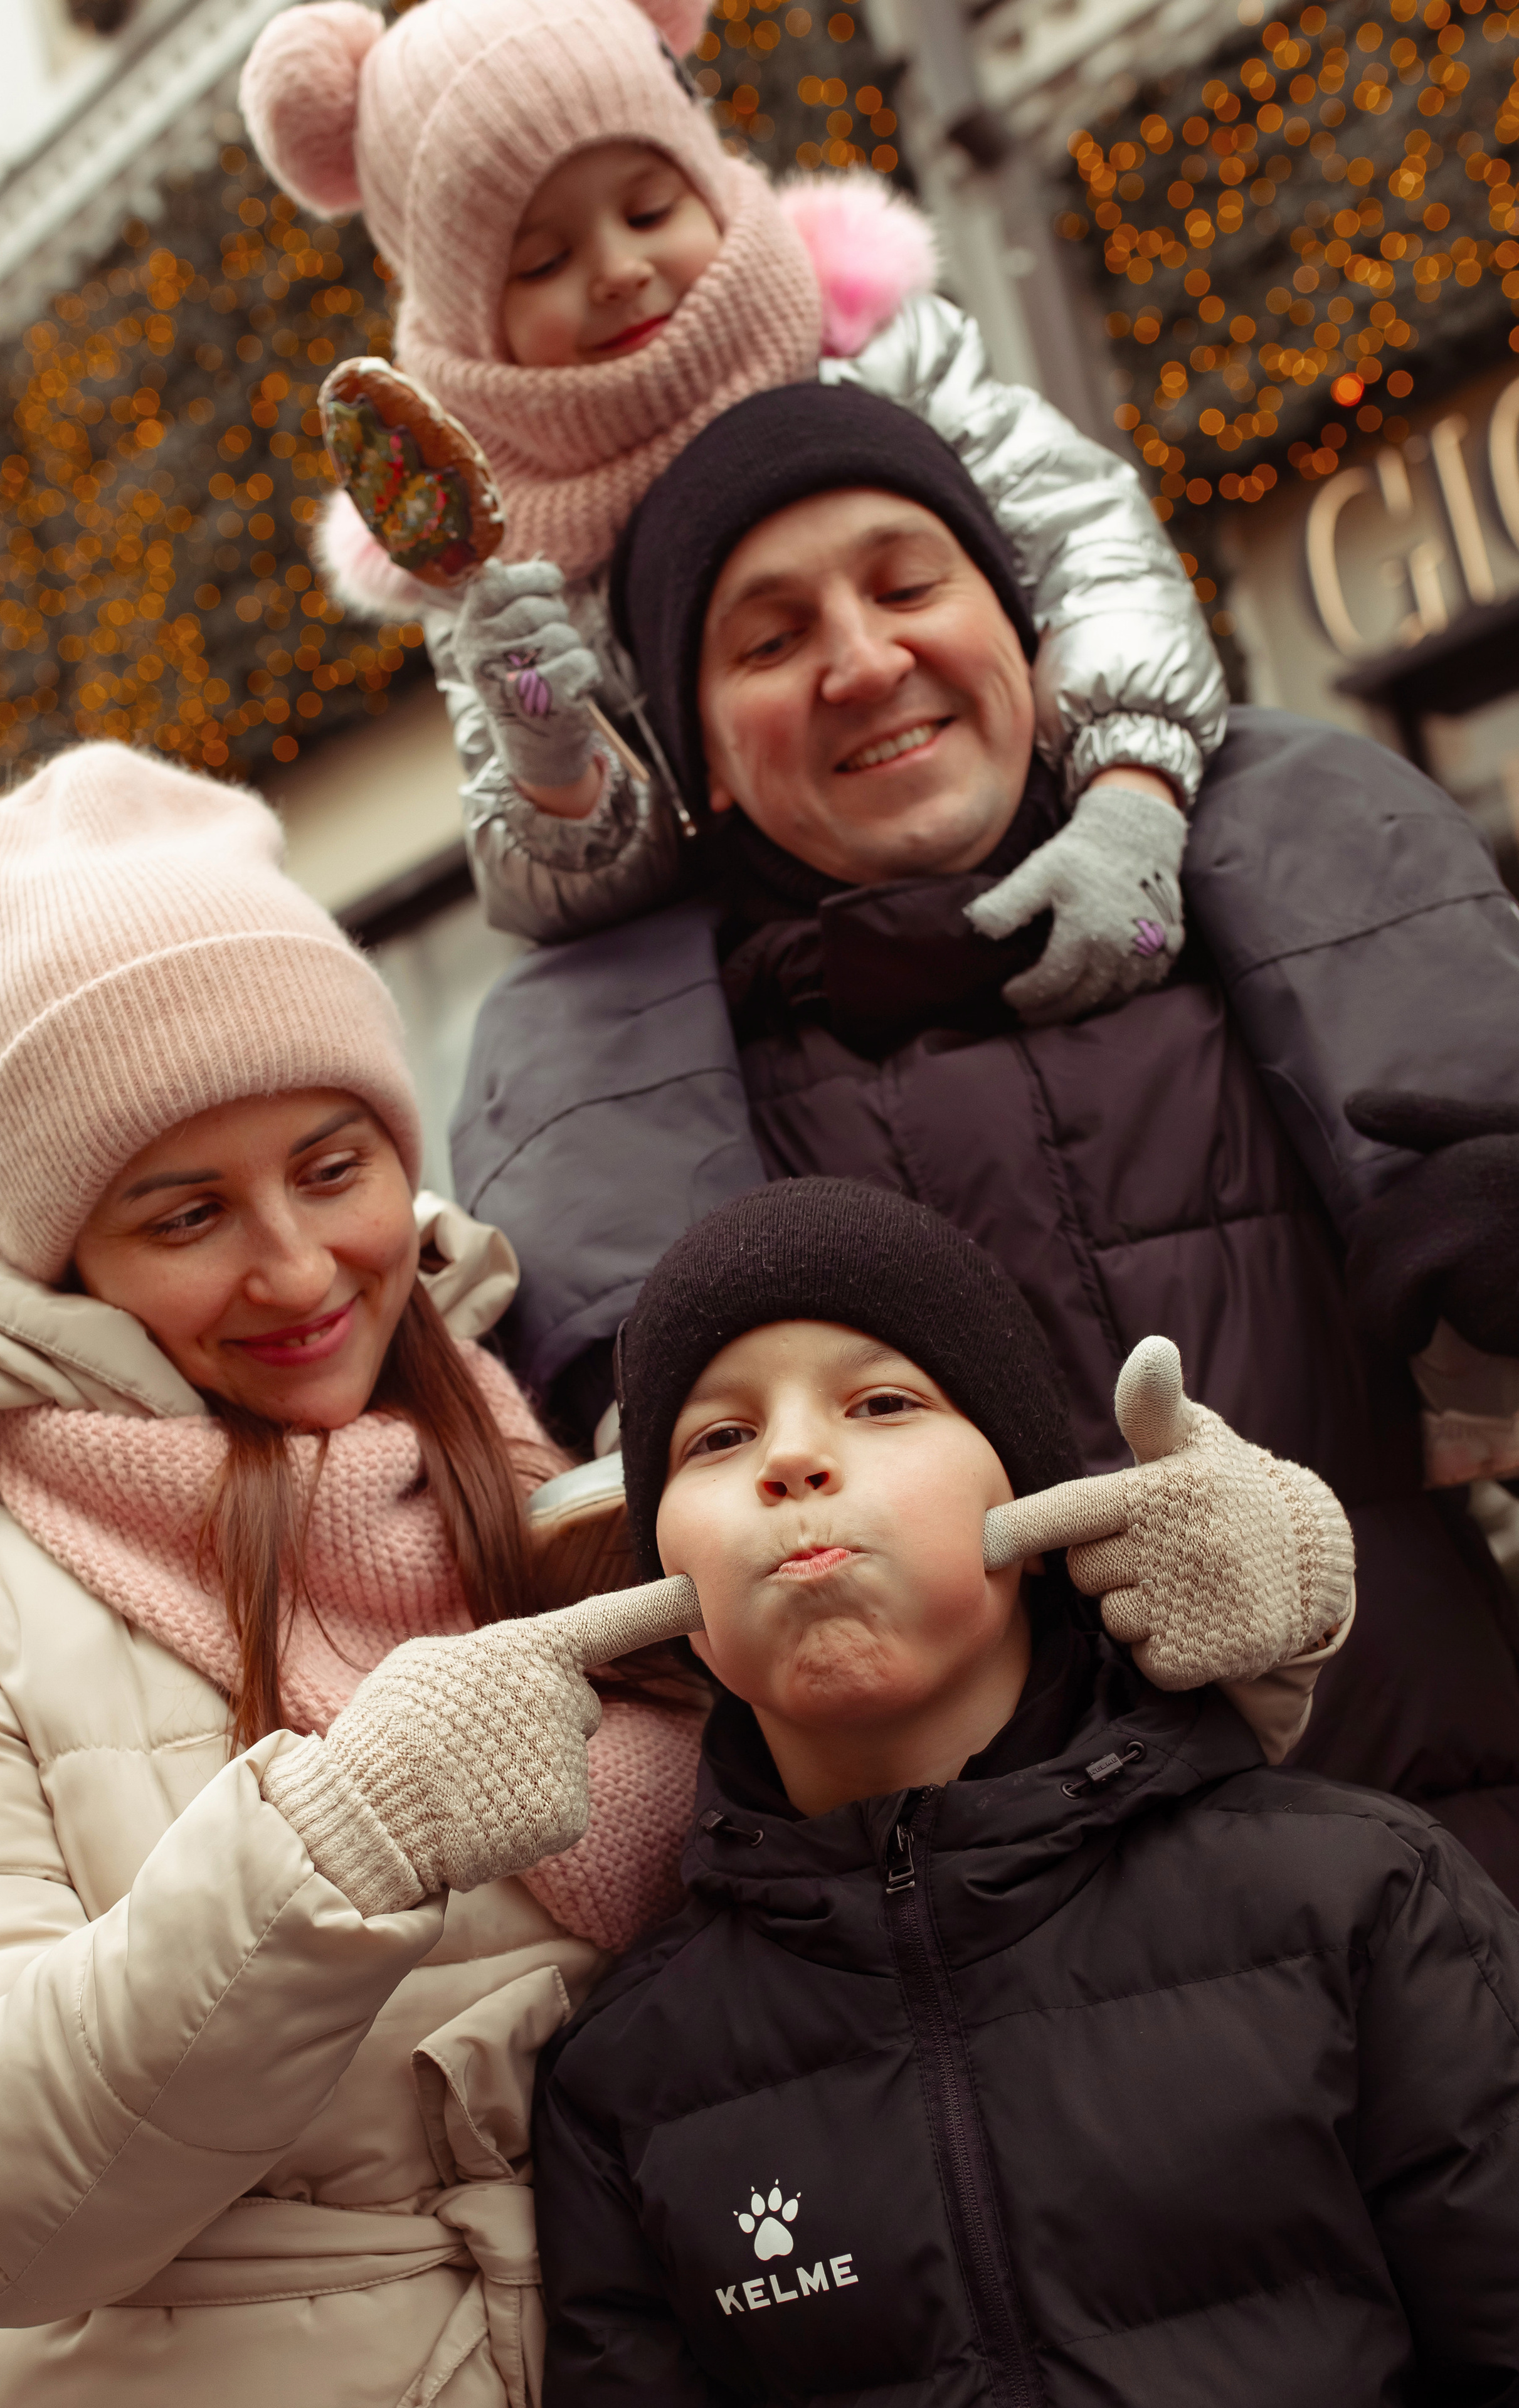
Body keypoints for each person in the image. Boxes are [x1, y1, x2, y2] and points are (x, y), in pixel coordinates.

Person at [451, 378, 1519, 1898]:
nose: (863, 662)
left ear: (1022, 627)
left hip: (1458, 1852)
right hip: (991, 1996)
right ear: (687, 750)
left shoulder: (1282, 923)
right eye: (766, 640)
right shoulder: (637, 1106)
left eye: (907, 584)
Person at [0, 742, 708, 2408]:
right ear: (69, 1257)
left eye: (335, 1169)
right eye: (187, 1212)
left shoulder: (538, 1436)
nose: (296, 1268)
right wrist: (342, 1843)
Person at [533, 1178, 1519, 2407]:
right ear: (665, 1582)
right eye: (715, 1439)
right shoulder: (625, 2075)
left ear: (1035, 1504)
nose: (788, 1458)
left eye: (882, 1402)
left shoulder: (1362, 1903)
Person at [239, 0, 1224, 1020]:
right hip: (815, 997)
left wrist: (1132, 797)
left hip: (1068, 844)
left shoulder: (875, 350)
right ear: (462, 317)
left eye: (651, 209)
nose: (619, 271)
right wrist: (557, 771)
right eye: (540, 262)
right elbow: (567, 892)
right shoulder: (489, 558)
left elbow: (1092, 541)